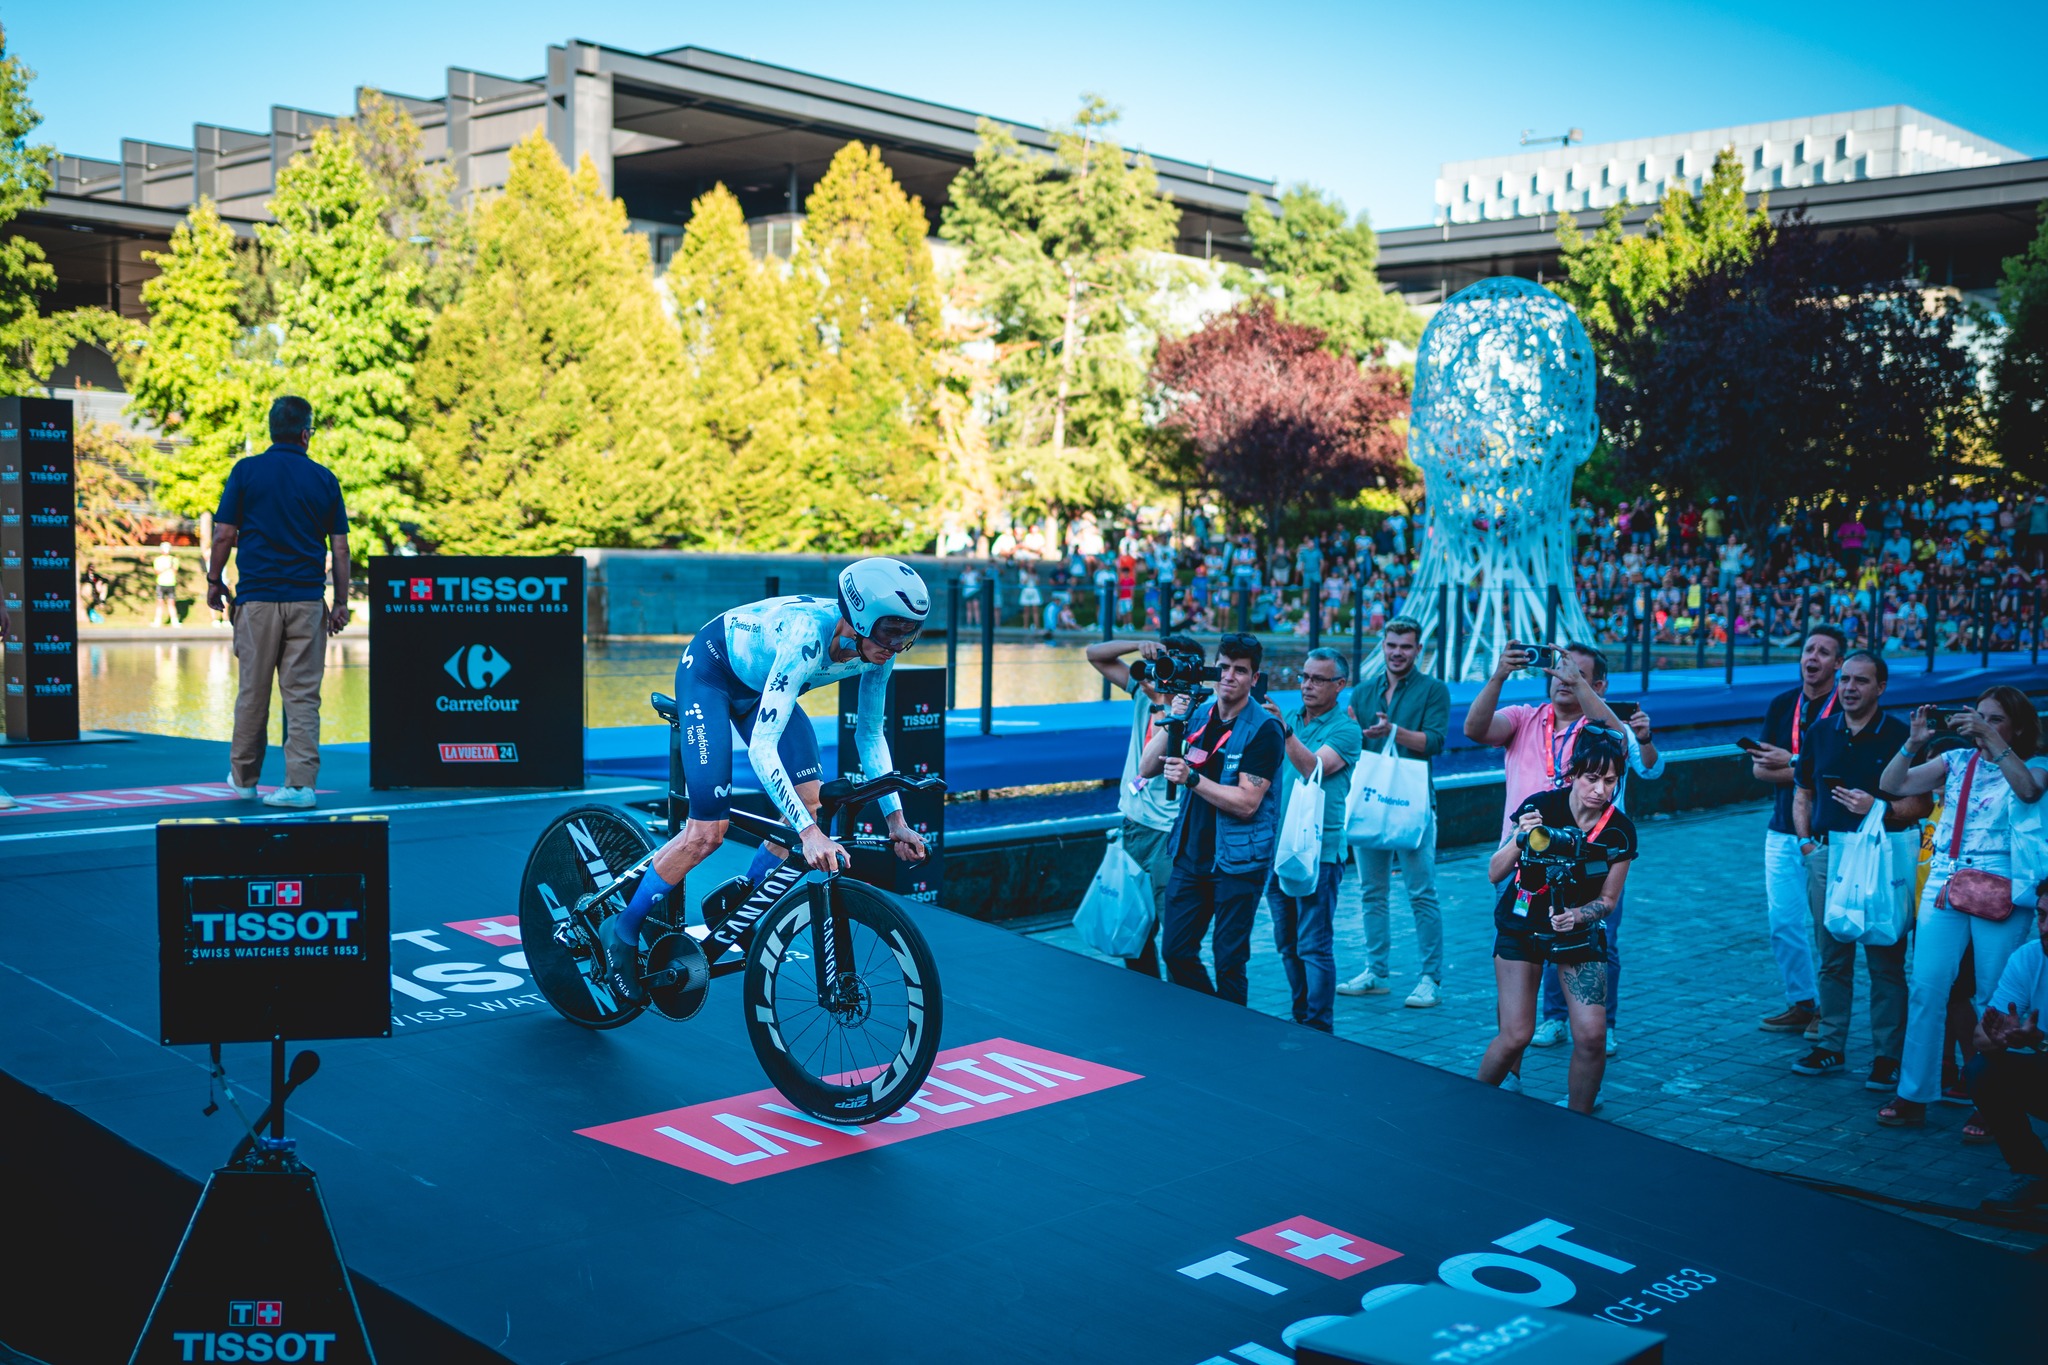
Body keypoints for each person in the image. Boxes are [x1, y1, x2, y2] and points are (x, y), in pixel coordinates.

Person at [603, 558, 935, 1003]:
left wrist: (896, 821)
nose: (898, 644)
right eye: (891, 631)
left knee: (809, 801)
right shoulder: (806, 637)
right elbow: (763, 748)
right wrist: (809, 834)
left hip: (765, 682)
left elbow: (870, 733)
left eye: (909, 633)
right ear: (857, 616)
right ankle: (622, 928)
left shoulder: (875, 652)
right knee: (707, 833)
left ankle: (740, 899)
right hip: (712, 674)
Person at [1463, 640, 1654, 1062]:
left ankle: (1598, 1031)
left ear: (1594, 683)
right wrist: (1498, 675)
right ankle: (1513, 1061)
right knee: (1516, 978)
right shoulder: (1523, 718)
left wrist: (1581, 687)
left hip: (1587, 869)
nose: (1563, 678)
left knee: (1595, 943)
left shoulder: (1598, 730)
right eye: (1558, 669)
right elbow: (1474, 730)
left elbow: (1623, 743)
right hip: (1521, 863)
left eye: (1575, 672)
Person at [1875, 688, 2046, 1128]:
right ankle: (1914, 1093)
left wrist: (1993, 740)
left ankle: (1992, 1100)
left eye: (1996, 719)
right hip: (1946, 882)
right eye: (1980, 717)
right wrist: (1912, 743)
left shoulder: (2035, 765)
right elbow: (1892, 785)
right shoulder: (1954, 762)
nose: (1983, 725)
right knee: (1927, 988)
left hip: (2003, 884)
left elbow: (2028, 792)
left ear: (2020, 727)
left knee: (1994, 996)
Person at [1477, 728, 1638, 1114]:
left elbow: (1609, 901)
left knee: (1592, 1036)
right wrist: (1519, 838)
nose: (1600, 789)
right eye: (1591, 778)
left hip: (1576, 930)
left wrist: (1579, 915)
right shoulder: (1541, 806)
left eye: (1610, 781)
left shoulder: (1619, 830)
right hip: (1523, 924)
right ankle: (1471, 1105)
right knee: (1517, 1034)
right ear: (1573, 776)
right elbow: (1494, 873)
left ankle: (1578, 1121)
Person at [205, 396, 351, 811]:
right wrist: (340, 601)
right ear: (306, 434)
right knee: (303, 697)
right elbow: (339, 549)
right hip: (306, 601)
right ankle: (301, 786)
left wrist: (215, 581)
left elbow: (223, 535)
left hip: (257, 602)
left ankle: (245, 779)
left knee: (253, 691)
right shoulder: (324, 479)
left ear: (273, 431)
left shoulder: (246, 471)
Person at [1138, 632, 1284, 1006]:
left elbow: (1247, 804)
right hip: (1191, 854)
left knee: (1229, 961)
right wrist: (1175, 717)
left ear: (1254, 677)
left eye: (1240, 670)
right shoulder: (1199, 713)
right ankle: (1210, 1016)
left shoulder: (1265, 730)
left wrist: (1193, 778)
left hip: (1237, 862)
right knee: (1175, 950)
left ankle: (1231, 1035)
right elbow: (1147, 767)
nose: (1229, 677)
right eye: (1223, 667)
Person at [1790, 650, 1911, 1086]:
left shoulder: (1900, 735)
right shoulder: (1822, 731)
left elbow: (1922, 802)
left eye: (1861, 681)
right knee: (1832, 959)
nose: (1849, 688)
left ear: (1881, 687)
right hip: (1827, 854)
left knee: (1885, 959)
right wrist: (1806, 845)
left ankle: (1887, 1055)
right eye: (1845, 680)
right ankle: (1830, 1045)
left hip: (1881, 856)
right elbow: (1802, 791)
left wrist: (1879, 807)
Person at [1339, 617, 1450, 1007]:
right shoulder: (1363, 692)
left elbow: (1435, 742)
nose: (1398, 652)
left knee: (1421, 892)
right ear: (1382, 646)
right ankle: (1376, 971)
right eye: (1391, 645)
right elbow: (1350, 742)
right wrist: (1360, 734)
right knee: (1372, 892)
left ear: (1418, 649)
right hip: (1372, 800)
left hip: (1413, 803)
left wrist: (1393, 733)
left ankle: (1430, 978)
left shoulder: (1434, 690)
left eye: (1405, 646)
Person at [1747, 626, 1847, 1035]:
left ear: (1837, 664)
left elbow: (1840, 775)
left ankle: (1831, 1008)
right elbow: (1758, 769)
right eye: (1809, 649)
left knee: (1828, 927)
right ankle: (1802, 1002)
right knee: (1783, 923)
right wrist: (1806, 766)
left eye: (1824, 653)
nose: (1813, 657)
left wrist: (1790, 762)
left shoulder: (1848, 704)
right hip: (1781, 828)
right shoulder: (1782, 704)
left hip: (1830, 832)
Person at [1087, 632, 1205, 977]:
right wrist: (1140, 643)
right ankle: (1147, 997)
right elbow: (1096, 655)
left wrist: (1177, 708)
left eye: (1170, 665)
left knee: (1177, 941)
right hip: (1133, 826)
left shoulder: (1198, 712)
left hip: (1170, 834)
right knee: (1131, 930)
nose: (1160, 672)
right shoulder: (1144, 695)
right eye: (1159, 663)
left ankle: (1188, 1004)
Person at [1258, 647, 1363, 1031]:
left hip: (1320, 851)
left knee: (1313, 945)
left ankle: (1319, 1024)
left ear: (1340, 685)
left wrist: (1284, 734)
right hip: (1278, 846)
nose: (1307, 685)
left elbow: (1313, 768)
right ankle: (1300, 1014)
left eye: (1318, 679)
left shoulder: (1347, 729)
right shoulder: (1290, 717)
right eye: (1304, 676)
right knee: (1287, 943)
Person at [1967, 897, 2048, 1211]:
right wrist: (2001, 1038)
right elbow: (1980, 1037)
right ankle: (2034, 1173)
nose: (2045, 927)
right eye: (2042, 915)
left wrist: (2039, 1042)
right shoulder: (2028, 958)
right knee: (1982, 1070)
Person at [152, 535, 182, 628]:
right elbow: (157, 571)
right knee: (160, 602)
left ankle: (174, 620)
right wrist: (165, 568)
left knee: (171, 603)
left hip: (171, 583)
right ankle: (157, 621)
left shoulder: (174, 559)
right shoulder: (158, 560)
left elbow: (175, 571)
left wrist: (171, 566)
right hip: (161, 583)